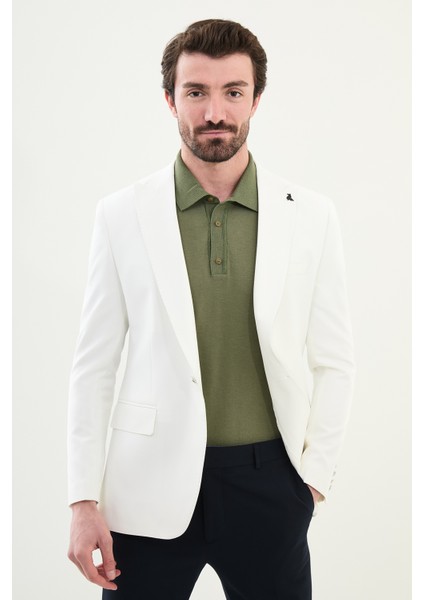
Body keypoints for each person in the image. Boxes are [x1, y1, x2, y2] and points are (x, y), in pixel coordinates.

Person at [67, 19, 355, 600]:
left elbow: (335, 360)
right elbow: (93, 366)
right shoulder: (121, 214)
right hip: (145, 488)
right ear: (170, 99)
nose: (214, 112)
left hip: (270, 486)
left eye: (233, 92)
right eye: (196, 92)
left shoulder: (310, 215)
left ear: (256, 100)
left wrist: (313, 479)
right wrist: (82, 500)